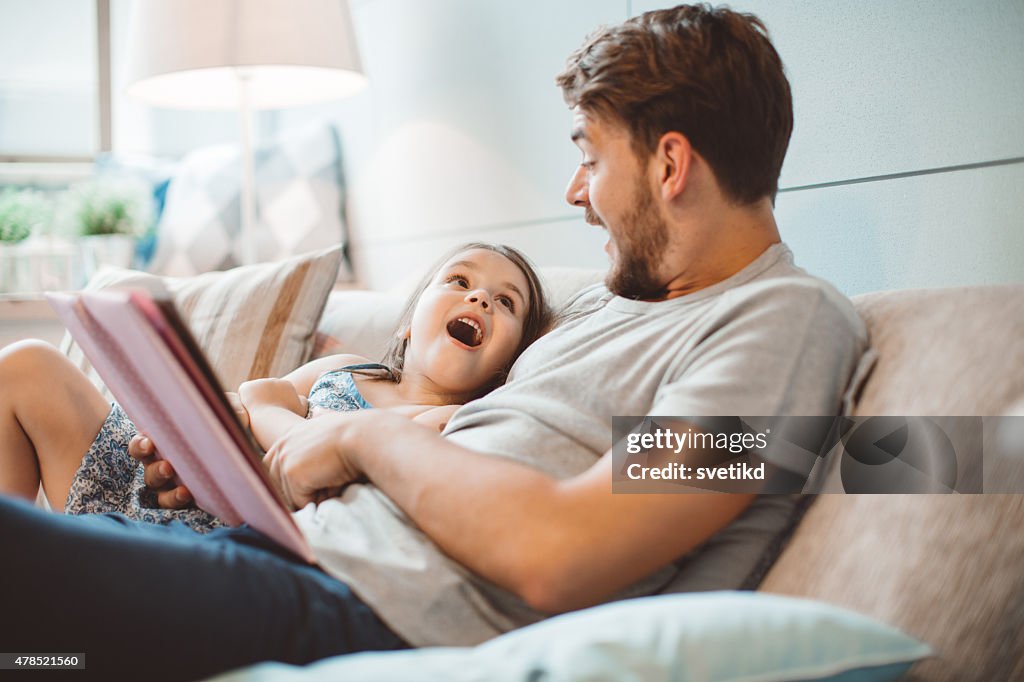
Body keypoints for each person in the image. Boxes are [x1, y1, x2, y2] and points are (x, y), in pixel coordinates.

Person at [0, 5, 869, 679]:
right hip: (283, 553)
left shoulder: (783, 324)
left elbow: (561, 549)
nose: (576, 191)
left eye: (592, 159)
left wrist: (356, 435)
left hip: (359, 610)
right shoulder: (618, 309)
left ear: (670, 166)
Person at [0, 242, 551, 532]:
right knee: (26, 364)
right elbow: (252, 398)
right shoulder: (348, 369)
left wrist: (265, 406)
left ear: (509, 364)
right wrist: (186, 433)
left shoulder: (450, 424)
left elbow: (285, 415)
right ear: (407, 322)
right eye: (459, 280)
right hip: (169, 487)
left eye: (505, 302)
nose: (478, 299)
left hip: (224, 537)